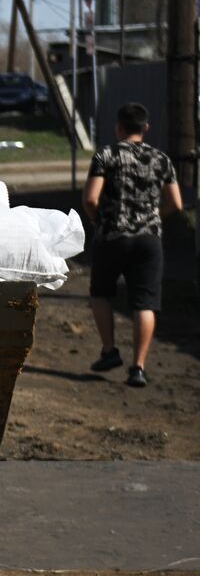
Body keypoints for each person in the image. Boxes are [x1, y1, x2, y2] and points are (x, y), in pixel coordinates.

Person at [81, 102, 183, 388]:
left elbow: (90, 198)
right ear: (146, 128)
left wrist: (99, 220)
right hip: (149, 240)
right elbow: (175, 203)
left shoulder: (107, 155)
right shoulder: (162, 159)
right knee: (145, 302)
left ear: (119, 127)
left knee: (100, 293)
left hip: (112, 236)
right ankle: (138, 368)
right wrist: (153, 219)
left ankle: (110, 351)